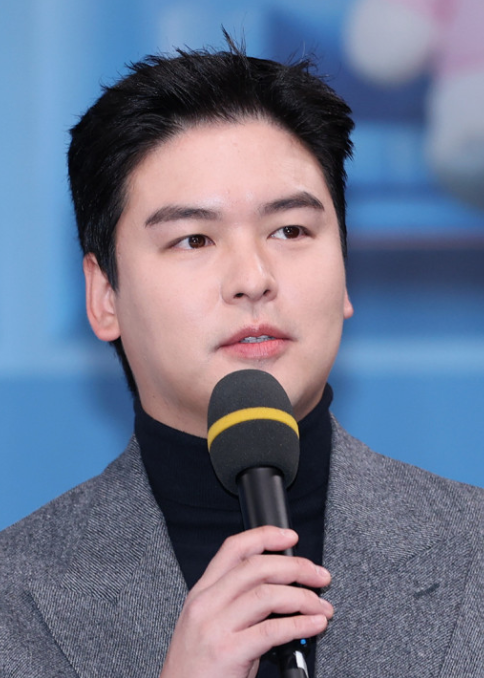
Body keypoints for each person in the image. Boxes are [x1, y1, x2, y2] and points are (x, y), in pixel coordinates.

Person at [1, 39, 483, 678]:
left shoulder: (473, 549)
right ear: (104, 295)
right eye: (193, 239)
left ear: (344, 272)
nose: (253, 278)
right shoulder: (15, 598)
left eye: (290, 231)